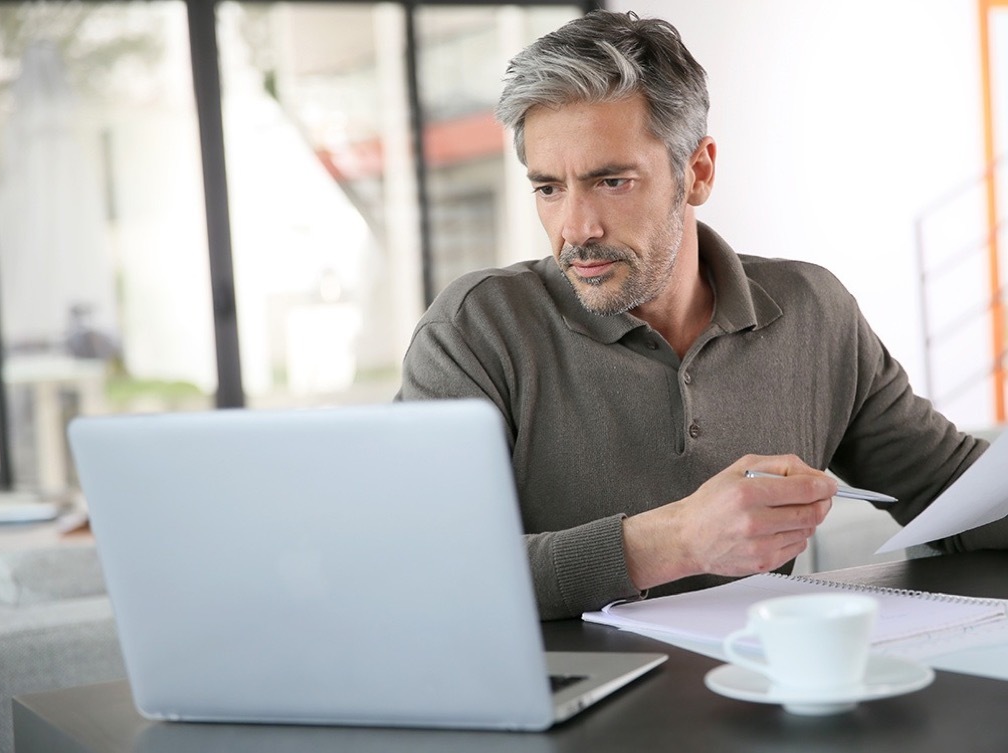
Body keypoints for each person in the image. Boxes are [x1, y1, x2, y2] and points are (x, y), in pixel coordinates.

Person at [396, 10, 1002, 620]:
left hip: (759, 694)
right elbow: (420, 569)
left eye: (611, 181)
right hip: (559, 701)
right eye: (549, 188)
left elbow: (961, 499)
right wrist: (675, 541)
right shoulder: (476, 330)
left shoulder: (813, 311)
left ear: (698, 172)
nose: (575, 229)